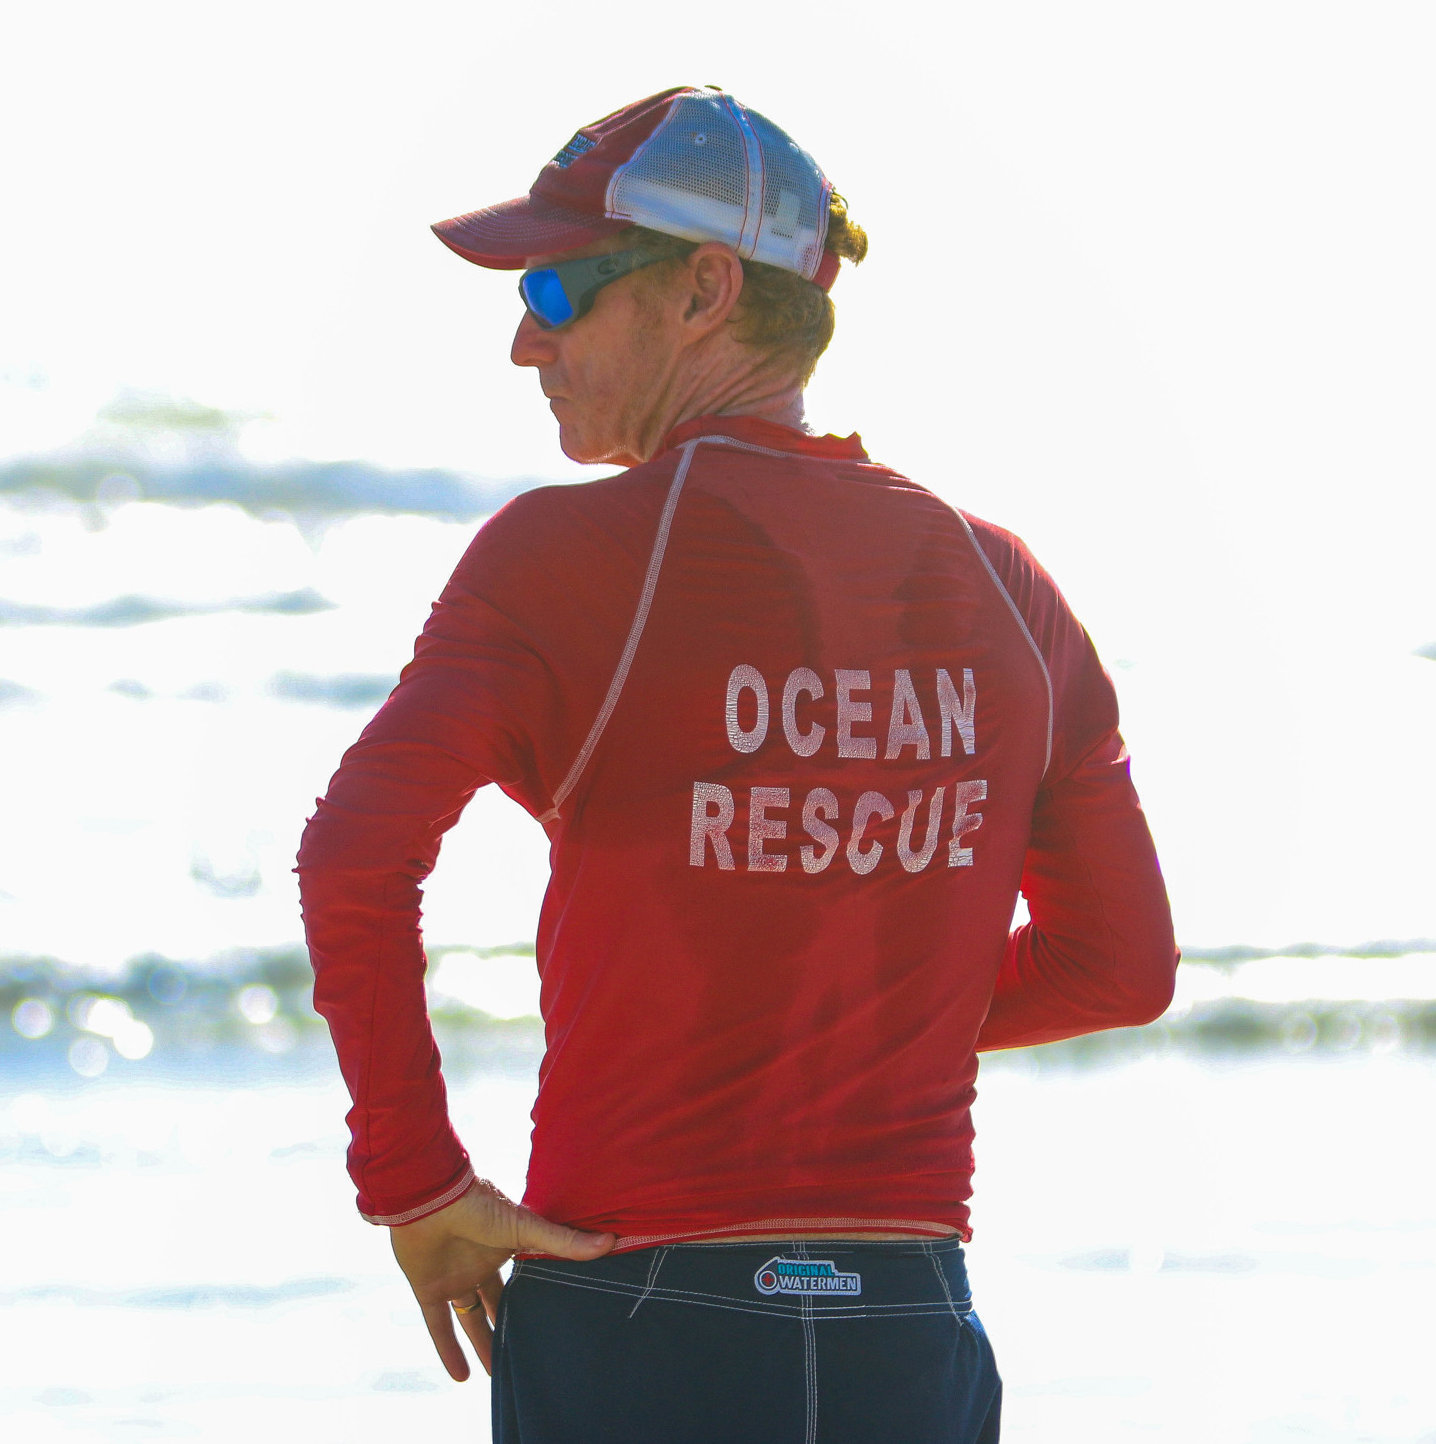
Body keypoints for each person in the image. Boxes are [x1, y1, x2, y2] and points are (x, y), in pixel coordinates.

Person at [296, 85, 1177, 1443]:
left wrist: (416, 1184)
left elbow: (354, 852)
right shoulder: (1007, 587)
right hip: (909, 1326)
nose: (524, 342)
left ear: (706, 286)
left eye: (557, 285)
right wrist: (848, 1020)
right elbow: (1117, 964)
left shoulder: (563, 561)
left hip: (640, 1308)